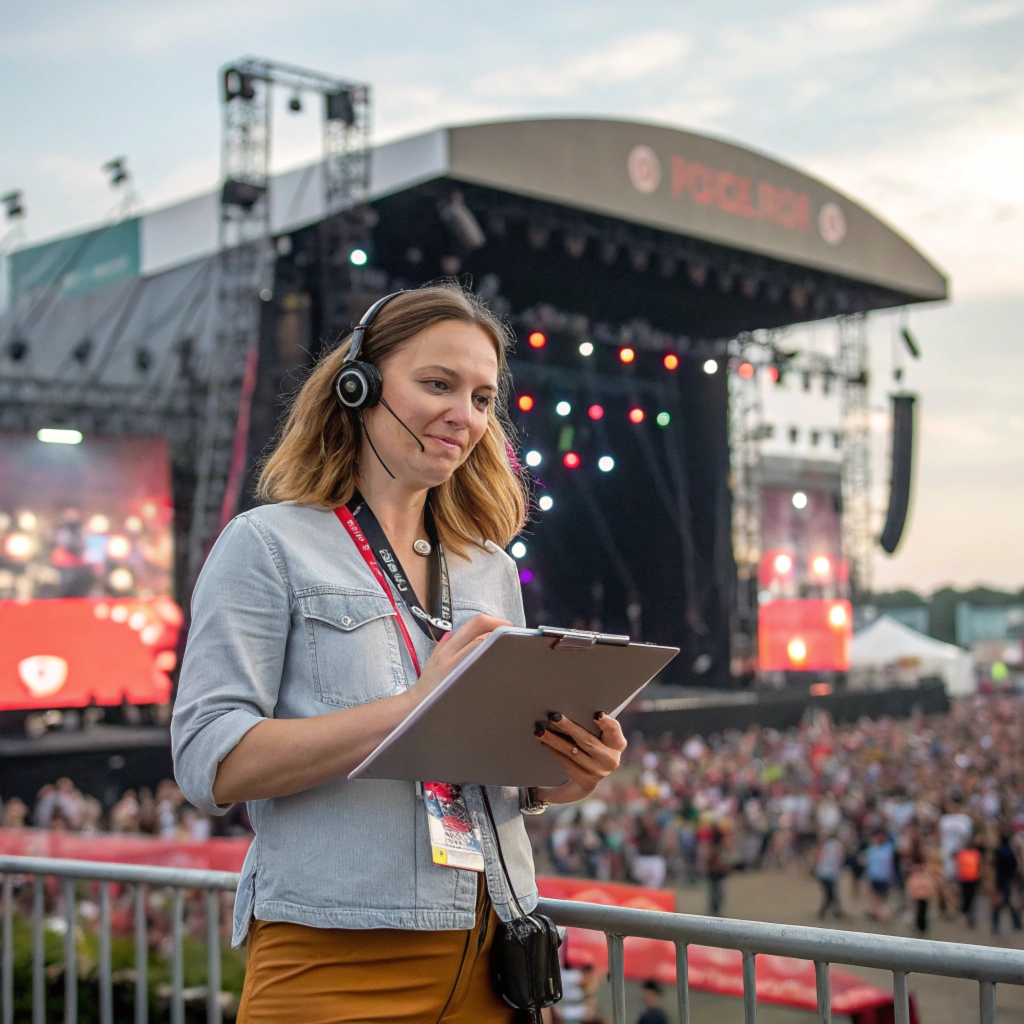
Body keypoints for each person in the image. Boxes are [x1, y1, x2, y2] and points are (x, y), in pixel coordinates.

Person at [171, 284, 628, 1024]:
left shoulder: (492, 569)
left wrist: (559, 774)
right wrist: (415, 706)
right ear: (358, 386)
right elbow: (210, 762)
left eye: (483, 397)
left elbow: (486, 766)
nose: (466, 416)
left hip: (494, 956)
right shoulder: (265, 545)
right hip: (331, 958)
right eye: (438, 384)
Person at [990, 828, 1022, 935]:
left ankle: (996, 926)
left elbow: (996, 869)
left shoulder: (999, 852)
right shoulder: (1011, 852)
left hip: (1001, 881)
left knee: (998, 905)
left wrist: (995, 885)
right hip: (1009, 881)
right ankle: (1017, 924)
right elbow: (1015, 868)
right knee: (1011, 904)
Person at [865, 830, 895, 922]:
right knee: (875, 898)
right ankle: (878, 915)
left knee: (881, 899)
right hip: (874, 877)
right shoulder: (872, 849)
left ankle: (882, 915)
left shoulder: (888, 849)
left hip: (883, 878)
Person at [813, 831, 845, 920]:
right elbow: (839, 859)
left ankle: (833, 912)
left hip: (822, 872)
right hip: (831, 873)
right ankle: (832, 912)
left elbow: (817, 857)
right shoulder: (838, 845)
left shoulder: (824, 845)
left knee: (829, 893)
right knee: (831, 894)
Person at [956, 832, 984, 929]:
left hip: (973, 879)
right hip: (964, 879)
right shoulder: (962, 853)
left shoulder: (976, 853)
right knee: (966, 898)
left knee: (972, 899)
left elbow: (979, 866)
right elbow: (958, 866)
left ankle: (970, 917)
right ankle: (966, 916)